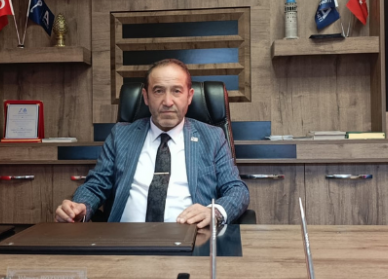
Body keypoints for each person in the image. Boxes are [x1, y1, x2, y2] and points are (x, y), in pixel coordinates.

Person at [55, 59, 249, 228]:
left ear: (189, 96)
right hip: (123, 241)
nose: (167, 101)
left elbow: (236, 190)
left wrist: (214, 212)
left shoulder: (212, 137)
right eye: (158, 91)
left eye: (176, 91)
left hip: (192, 238)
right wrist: (80, 207)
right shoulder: (121, 135)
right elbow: (95, 185)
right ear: (146, 97)